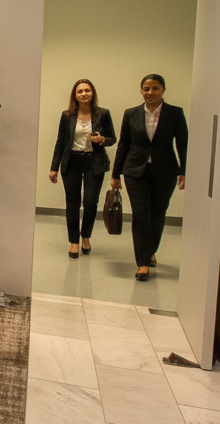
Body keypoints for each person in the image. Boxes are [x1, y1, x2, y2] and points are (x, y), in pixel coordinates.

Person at [111, 74, 188, 281]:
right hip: (135, 171)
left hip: (166, 171)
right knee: (140, 214)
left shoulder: (175, 113)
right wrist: (115, 173)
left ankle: (150, 249)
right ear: (141, 91)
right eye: (146, 89)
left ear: (163, 90)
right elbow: (123, 144)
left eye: (155, 88)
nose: (150, 92)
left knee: (158, 212)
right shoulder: (131, 113)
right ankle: (142, 262)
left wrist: (184, 171)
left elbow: (183, 143)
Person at [47, 78, 116, 259]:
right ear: (75, 95)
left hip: (95, 162)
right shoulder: (67, 115)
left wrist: (102, 140)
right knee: (72, 204)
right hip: (72, 162)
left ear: (92, 93)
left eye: (87, 90)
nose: (84, 94)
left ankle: (85, 237)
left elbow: (112, 138)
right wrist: (53, 167)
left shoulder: (103, 114)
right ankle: (74, 242)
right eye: (80, 91)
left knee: (91, 203)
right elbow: (60, 142)